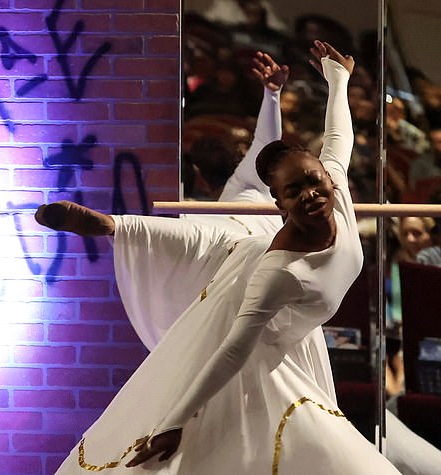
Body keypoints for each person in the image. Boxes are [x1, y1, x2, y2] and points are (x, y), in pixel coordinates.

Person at [38, 41, 403, 474]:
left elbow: (338, 138)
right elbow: (233, 350)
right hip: (264, 360)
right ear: (279, 205)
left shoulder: (334, 191)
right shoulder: (278, 270)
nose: (311, 194)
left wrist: (338, 78)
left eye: (314, 182)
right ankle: (111, 224)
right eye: (294, 192)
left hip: (295, 339)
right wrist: (173, 422)